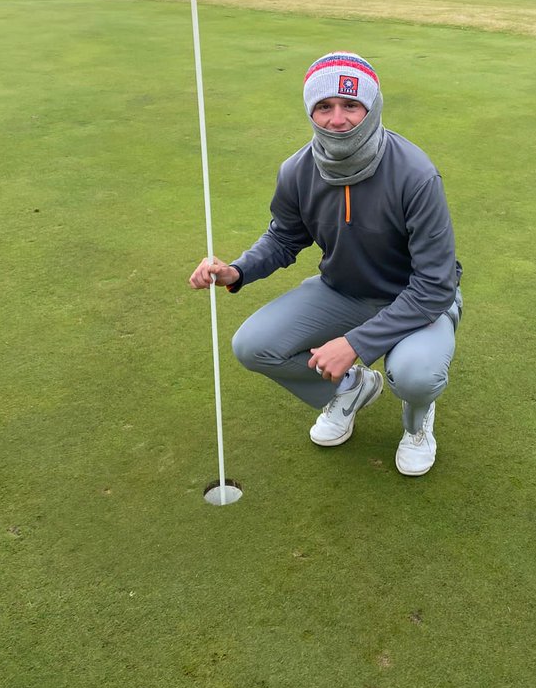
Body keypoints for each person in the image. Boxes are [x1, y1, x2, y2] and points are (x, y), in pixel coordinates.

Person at [188, 51, 462, 476]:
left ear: (371, 108)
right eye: (325, 106)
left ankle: (417, 421)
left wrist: (355, 344)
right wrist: (237, 270)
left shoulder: (415, 174)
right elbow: (284, 237)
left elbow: (436, 285)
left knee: (416, 375)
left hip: (418, 303)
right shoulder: (297, 170)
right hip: (343, 291)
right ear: (310, 111)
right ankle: (353, 388)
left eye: (351, 105)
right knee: (253, 346)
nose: (337, 119)